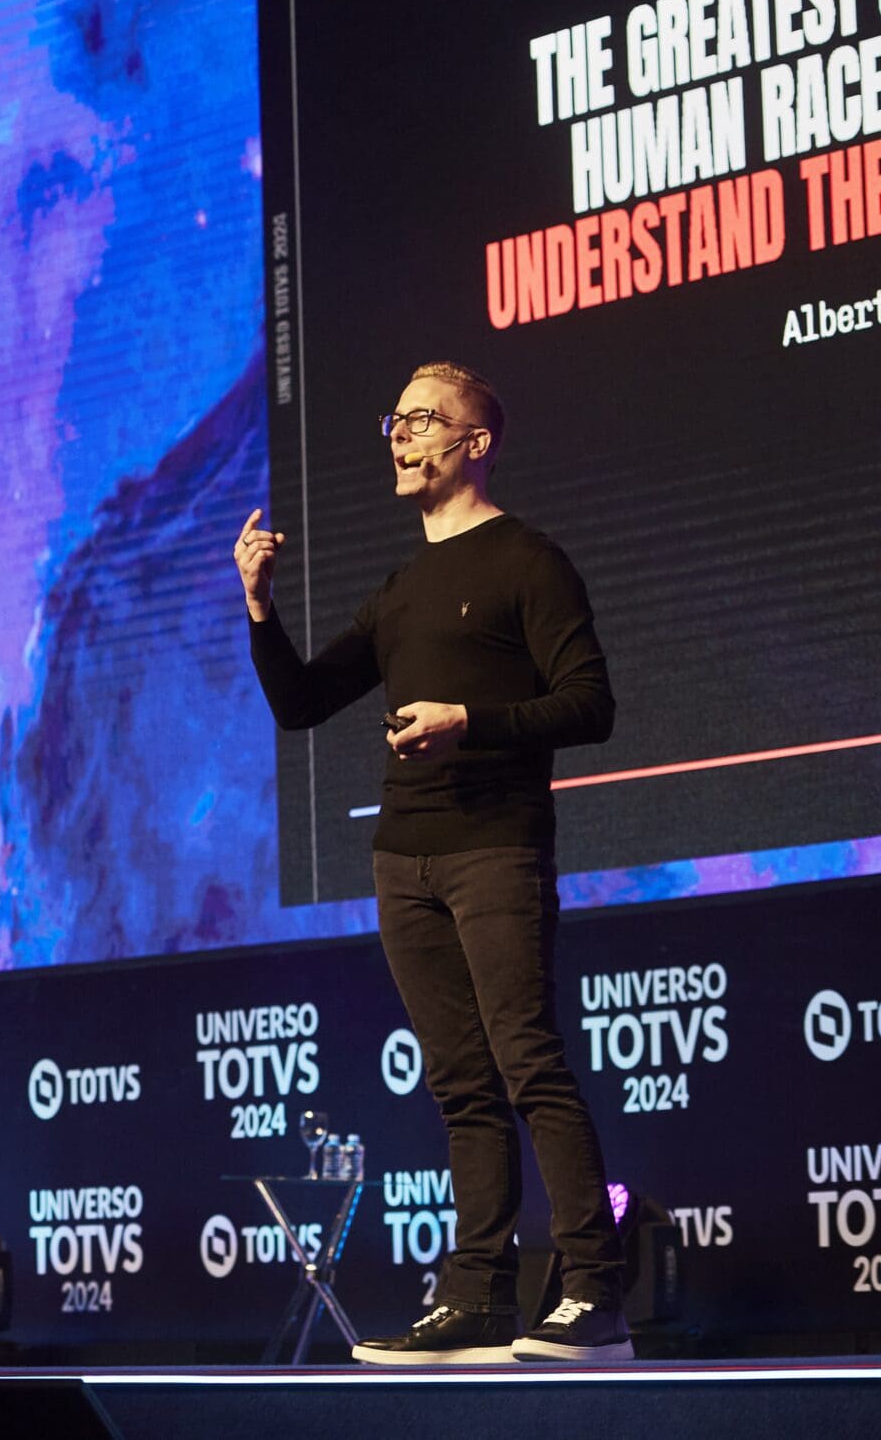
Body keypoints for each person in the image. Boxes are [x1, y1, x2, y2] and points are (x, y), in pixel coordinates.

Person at [235, 360, 629, 1364]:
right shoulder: (402, 589)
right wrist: (259, 606)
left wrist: (469, 721)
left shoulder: (528, 562)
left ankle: (593, 1291)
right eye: (396, 422)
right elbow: (301, 703)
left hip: (495, 846)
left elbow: (590, 704)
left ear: (474, 443)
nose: (402, 437)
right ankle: (476, 1301)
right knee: (461, 1086)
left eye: (422, 420)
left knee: (527, 1061)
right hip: (402, 860)